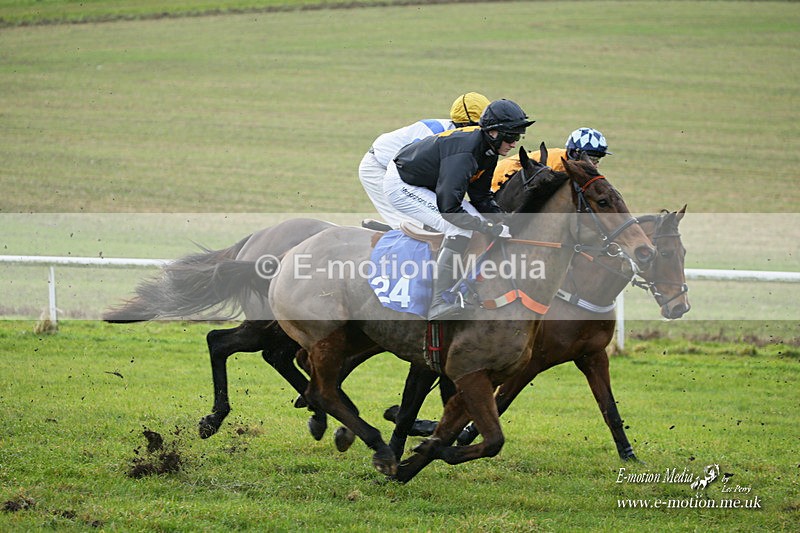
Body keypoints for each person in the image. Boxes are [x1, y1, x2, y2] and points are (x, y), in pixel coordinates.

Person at [384, 99, 535, 320]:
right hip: (402, 184)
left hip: (425, 181)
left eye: (518, 138)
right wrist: (489, 227)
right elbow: (450, 209)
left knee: (475, 222)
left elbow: (481, 196)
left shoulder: (489, 150)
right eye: (511, 137)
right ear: (493, 133)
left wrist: (505, 221)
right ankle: (437, 303)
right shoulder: (465, 154)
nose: (514, 144)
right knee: (459, 228)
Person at [359, 92, 491, 229]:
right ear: (464, 123)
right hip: (378, 167)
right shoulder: (436, 132)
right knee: (414, 227)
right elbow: (413, 166)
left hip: (404, 174)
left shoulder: (463, 139)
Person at [492, 127, 612, 191]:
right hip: (499, 178)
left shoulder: (568, 164)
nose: (594, 165)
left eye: (597, 159)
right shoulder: (554, 167)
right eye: (591, 159)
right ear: (574, 154)